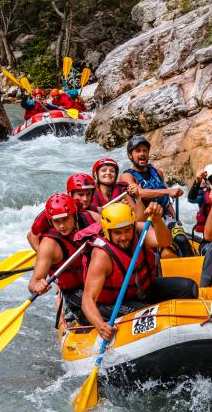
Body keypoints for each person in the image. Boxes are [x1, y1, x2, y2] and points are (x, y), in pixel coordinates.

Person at [81, 202, 198, 340]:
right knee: (151, 316)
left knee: (189, 288)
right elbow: (87, 299)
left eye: (127, 230)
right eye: (118, 233)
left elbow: (165, 242)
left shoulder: (140, 230)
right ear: (108, 231)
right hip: (115, 303)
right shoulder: (102, 256)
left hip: (142, 290)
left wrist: (157, 220)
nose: (124, 237)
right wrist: (100, 325)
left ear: (132, 225)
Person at [28, 193, 98, 325]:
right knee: (100, 310)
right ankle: (69, 312)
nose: (61, 226)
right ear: (50, 221)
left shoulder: (89, 217)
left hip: (99, 280)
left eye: (65, 219)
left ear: (74, 215)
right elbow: (34, 281)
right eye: (56, 221)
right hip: (75, 290)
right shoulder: (49, 245)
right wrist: (37, 286)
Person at [122, 136, 192, 257]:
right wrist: (168, 191)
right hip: (146, 221)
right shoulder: (127, 176)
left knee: (182, 240)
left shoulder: (157, 173)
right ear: (130, 155)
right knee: (164, 251)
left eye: (145, 150)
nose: (142, 154)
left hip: (165, 216)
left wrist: (175, 217)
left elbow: (165, 200)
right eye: (137, 151)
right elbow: (141, 193)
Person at [27, 174, 100, 251]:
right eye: (80, 195)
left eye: (88, 194)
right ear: (70, 194)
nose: (85, 199)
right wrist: (42, 252)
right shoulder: (55, 211)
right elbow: (31, 235)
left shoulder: (86, 209)